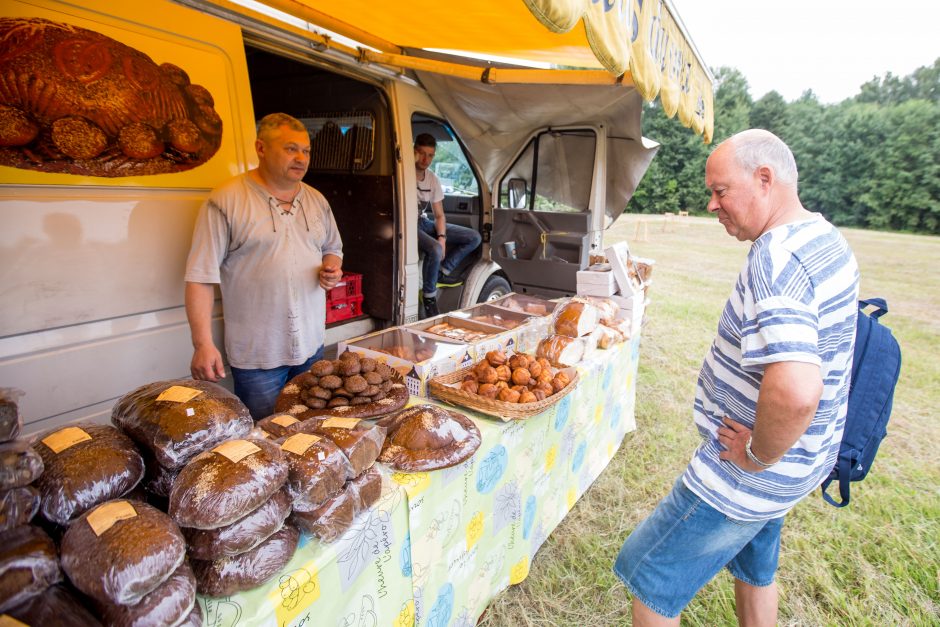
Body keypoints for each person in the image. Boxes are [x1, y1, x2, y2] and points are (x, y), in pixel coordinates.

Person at [613, 129, 859, 625]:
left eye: (721, 191)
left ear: (764, 179)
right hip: (798, 464)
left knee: (649, 573)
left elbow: (796, 389)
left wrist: (757, 454)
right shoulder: (825, 236)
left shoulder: (775, 257)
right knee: (756, 567)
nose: (712, 205)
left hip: (750, 472)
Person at [184, 113, 343, 419]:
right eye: (290, 148)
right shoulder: (226, 201)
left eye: (306, 151)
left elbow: (333, 248)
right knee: (268, 438)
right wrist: (202, 343)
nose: (301, 158)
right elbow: (200, 277)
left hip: (312, 346)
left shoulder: (317, 200)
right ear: (260, 148)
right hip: (259, 358)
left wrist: (331, 267)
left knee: (311, 433)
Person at [414, 133, 482, 318]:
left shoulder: (432, 179)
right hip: (407, 225)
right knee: (435, 248)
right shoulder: (404, 174)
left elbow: (439, 215)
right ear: (413, 151)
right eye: (421, 153)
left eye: (430, 155)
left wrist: (442, 238)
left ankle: (442, 272)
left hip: (423, 222)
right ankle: (429, 298)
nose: (425, 159)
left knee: (474, 237)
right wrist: (438, 243)